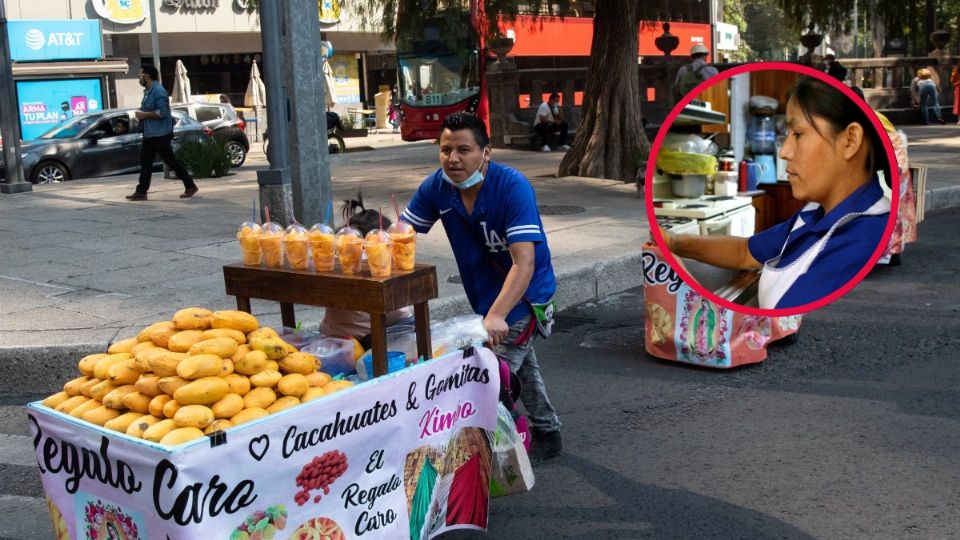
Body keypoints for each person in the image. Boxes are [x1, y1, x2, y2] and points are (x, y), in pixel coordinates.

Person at [401, 112, 562, 461]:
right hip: (486, 298)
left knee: (489, 380)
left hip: (524, 296)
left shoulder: (512, 187)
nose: (453, 159)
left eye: (464, 150)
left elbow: (524, 263)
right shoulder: (438, 187)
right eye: (445, 150)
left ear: (486, 153)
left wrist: (498, 315)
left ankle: (489, 458)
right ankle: (547, 431)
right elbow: (401, 236)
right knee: (518, 366)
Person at [660, 76, 891, 310]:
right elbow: (745, 253)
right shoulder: (814, 214)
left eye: (798, 134)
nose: (784, 151)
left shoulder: (861, 239)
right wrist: (674, 242)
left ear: (850, 140)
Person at [320, 196, 414, 348]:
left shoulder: (336, 257)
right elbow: (398, 314)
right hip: (365, 340)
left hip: (331, 334)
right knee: (410, 324)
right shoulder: (372, 259)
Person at [126, 65, 199, 201]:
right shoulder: (148, 91)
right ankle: (141, 191)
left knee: (170, 160)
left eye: (140, 75)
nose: (139, 78)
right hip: (150, 133)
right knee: (145, 161)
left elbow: (163, 112)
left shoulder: (158, 91)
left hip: (160, 134)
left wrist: (144, 115)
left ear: (147, 76)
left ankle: (190, 185)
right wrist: (142, 113)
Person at [951, 60, 960, 125]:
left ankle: (959, 120)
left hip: (958, 87)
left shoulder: (956, 70)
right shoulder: (956, 70)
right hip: (958, 87)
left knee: (958, 103)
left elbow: (952, 80)